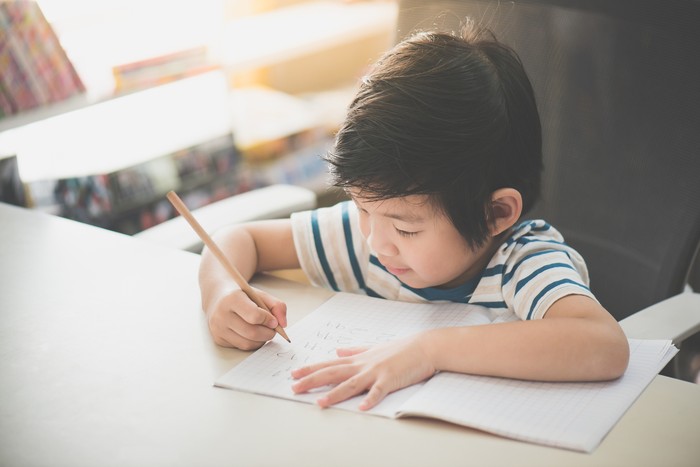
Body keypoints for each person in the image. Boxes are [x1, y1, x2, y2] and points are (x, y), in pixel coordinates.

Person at [198, 21, 630, 411]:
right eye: (362, 207)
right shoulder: (364, 238)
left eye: (406, 227)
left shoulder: (523, 263)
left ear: (495, 213)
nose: (376, 241)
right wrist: (220, 294)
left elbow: (605, 345)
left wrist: (430, 350)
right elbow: (239, 240)